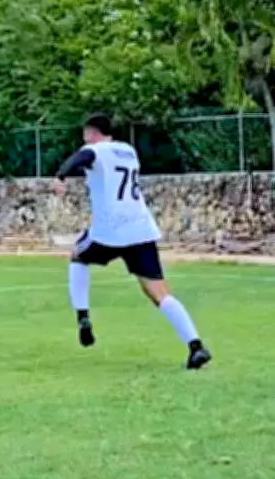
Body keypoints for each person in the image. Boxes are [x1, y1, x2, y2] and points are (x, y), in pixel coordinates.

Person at [53, 114, 211, 369]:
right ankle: (195, 346)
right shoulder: (128, 151)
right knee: (159, 293)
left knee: (77, 255)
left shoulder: (95, 150)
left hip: (110, 231)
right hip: (141, 228)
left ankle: (83, 317)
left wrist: (61, 176)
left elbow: (83, 158)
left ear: (91, 132)